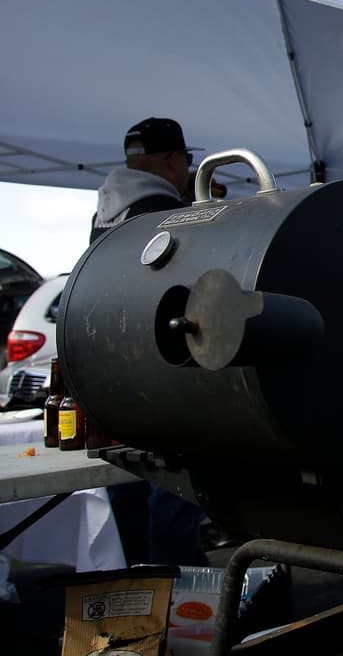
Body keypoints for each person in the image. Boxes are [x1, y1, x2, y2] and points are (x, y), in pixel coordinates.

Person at [91, 117, 210, 567]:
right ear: (174, 159)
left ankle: (138, 602)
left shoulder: (105, 213)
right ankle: (182, 604)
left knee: (128, 480)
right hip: (163, 370)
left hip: (112, 371)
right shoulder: (166, 210)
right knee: (173, 486)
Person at [90, 117, 197, 242]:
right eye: (188, 158)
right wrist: (201, 202)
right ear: (173, 161)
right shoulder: (170, 212)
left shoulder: (102, 214)